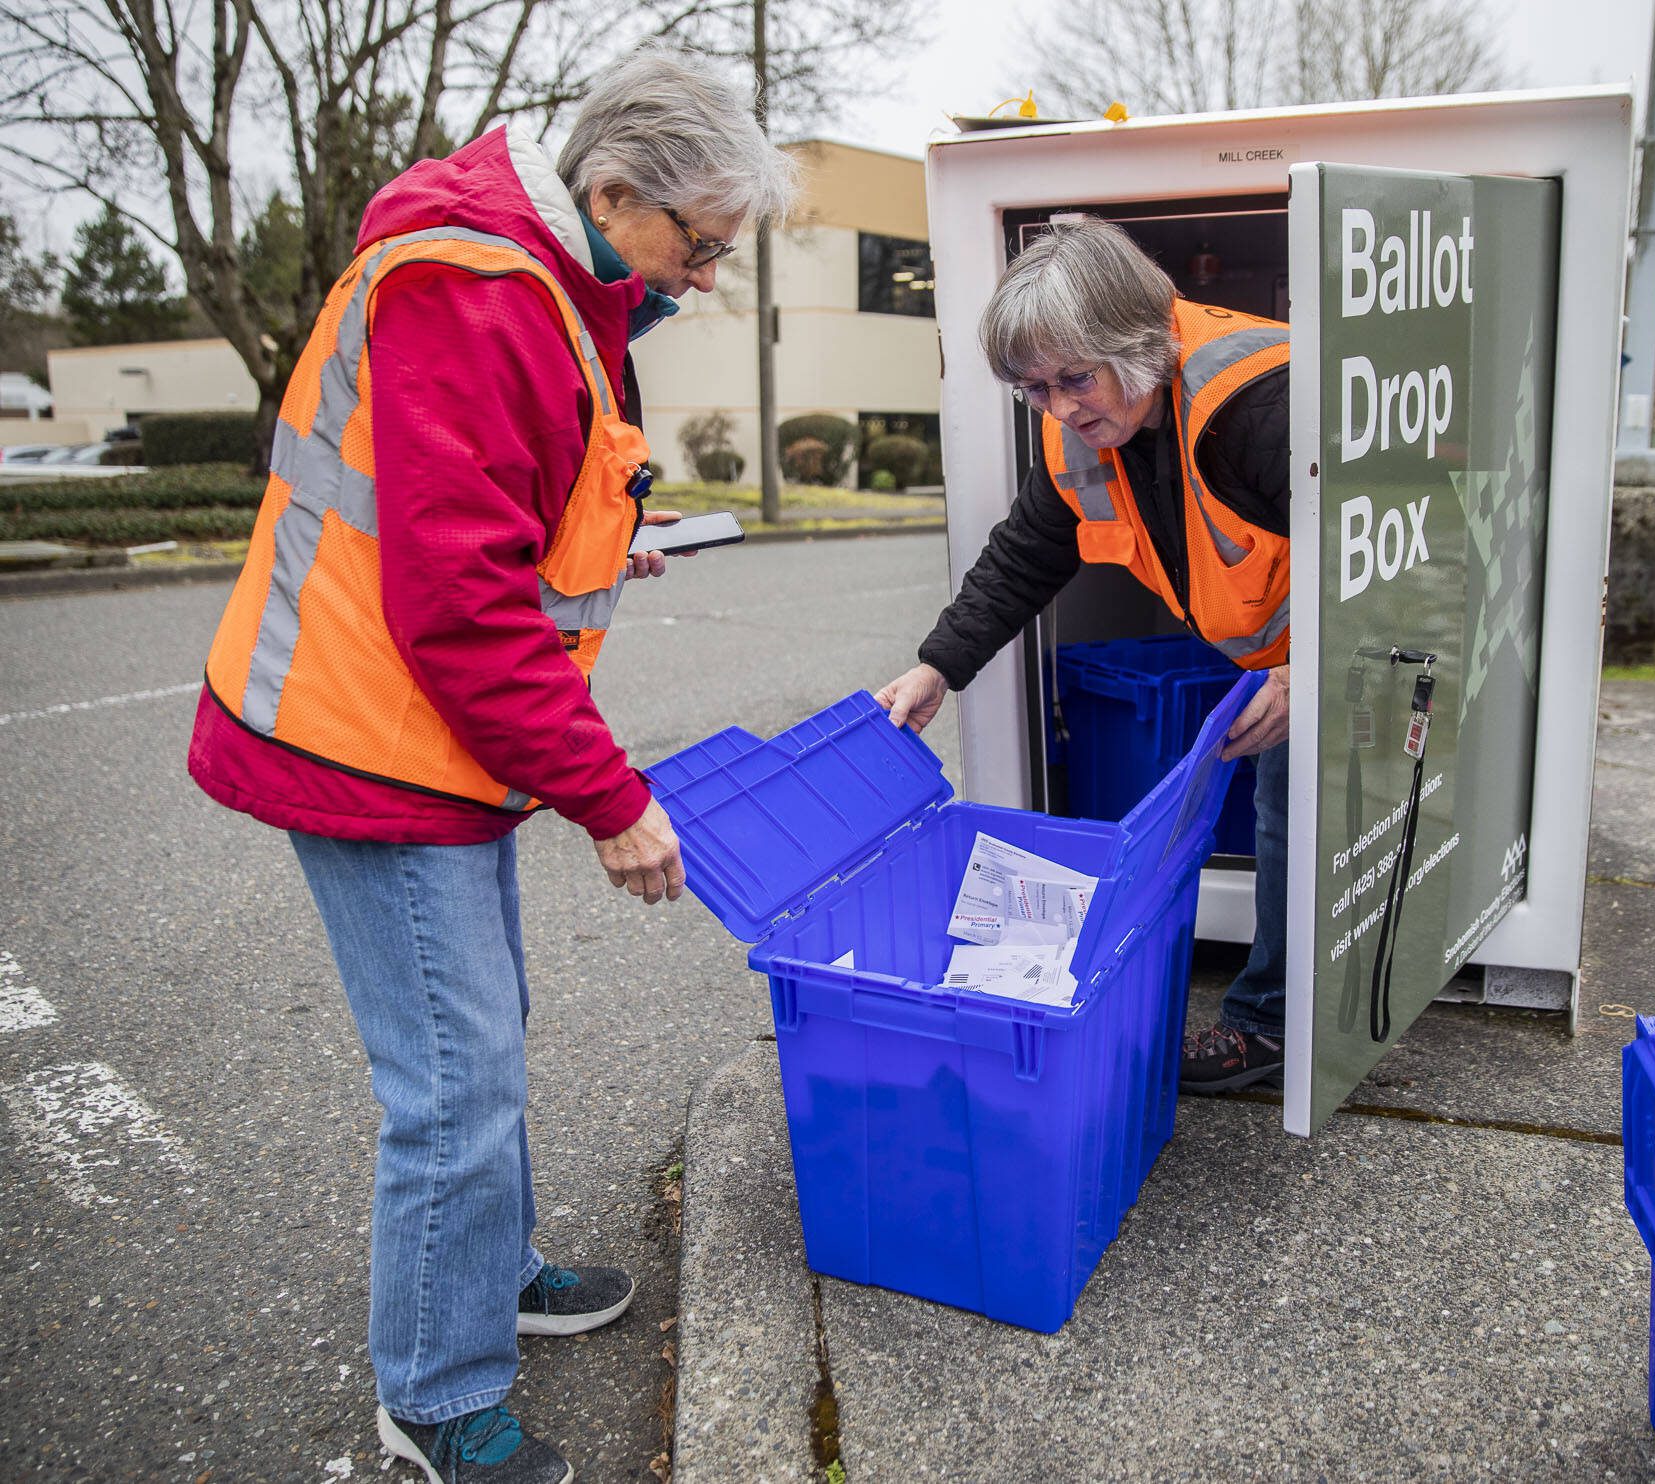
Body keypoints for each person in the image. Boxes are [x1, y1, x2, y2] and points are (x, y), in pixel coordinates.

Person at [188, 47, 793, 1484]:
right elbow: (457, 606)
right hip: (366, 743)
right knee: (456, 1083)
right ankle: (437, 1393)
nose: (704, 277)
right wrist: (613, 801)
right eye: (699, 245)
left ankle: (487, 1272)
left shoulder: (549, 276)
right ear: (612, 190)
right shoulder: (480, 289)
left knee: (483, 1042)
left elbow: (497, 517)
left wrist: (600, 540)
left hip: (419, 741)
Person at [876, 217, 1293, 1098]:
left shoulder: (1264, 405)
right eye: (1034, 389)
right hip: (1272, 663)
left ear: (1137, 343)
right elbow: (1027, 551)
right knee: (1271, 816)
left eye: (1074, 378)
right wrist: (937, 667)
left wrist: (1311, 675)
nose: (1060, 408)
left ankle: (1272, 1029)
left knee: (1298, 827)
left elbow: (1399, 555)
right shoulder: (1084, 431)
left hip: (1352, 655)